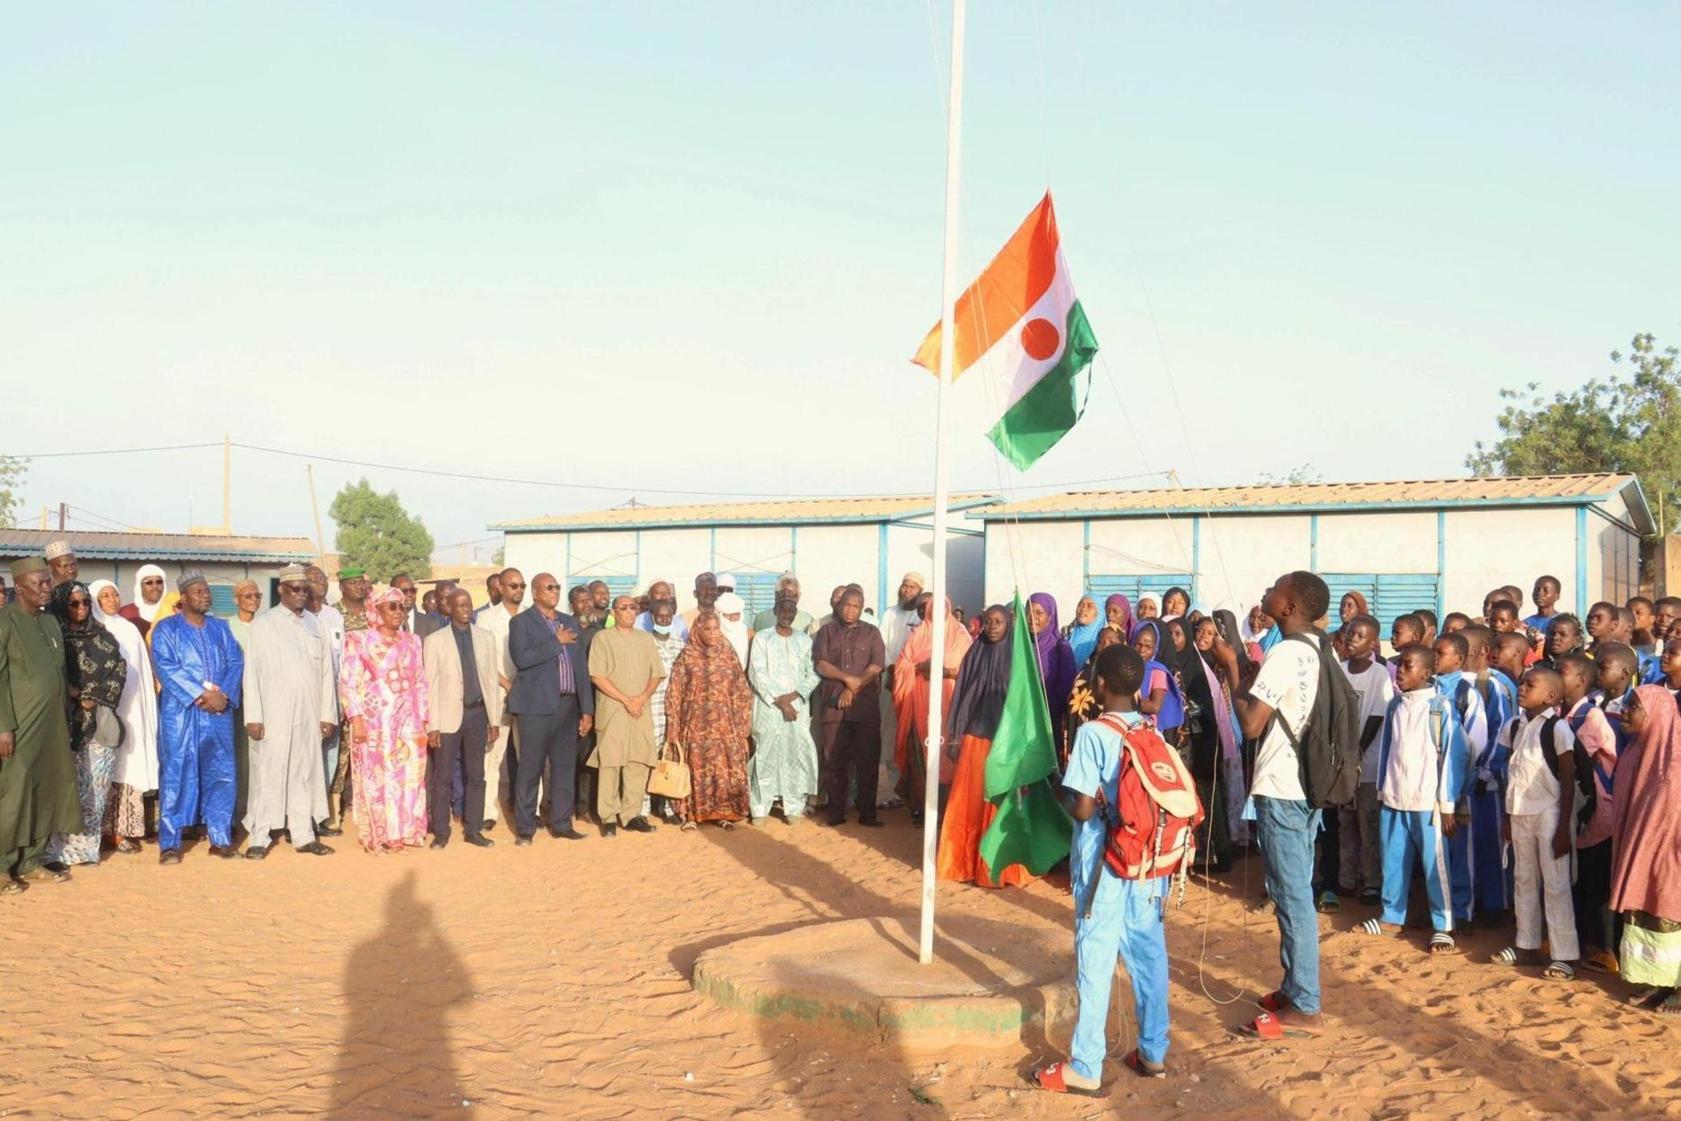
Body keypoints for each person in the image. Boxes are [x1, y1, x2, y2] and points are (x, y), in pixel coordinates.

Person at [1035, 644, 1173, 1092]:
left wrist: (1055, 785)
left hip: (1104, 864)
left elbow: (1082, 809)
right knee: (1149, 955)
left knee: (1096, 959)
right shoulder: (1151, 728)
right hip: (1148, 862)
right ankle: (1153, 1051)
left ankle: (1087, 1066)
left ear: (1099, 685)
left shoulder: (1094, 733)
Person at [1223, 570, 1329, 1040]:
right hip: (1305, 784)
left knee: (1292, 897)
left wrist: (1228, 670)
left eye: (1276, 587)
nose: (1267, 589)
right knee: (1293, 889)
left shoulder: (1286, 651)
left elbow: (1250, 725)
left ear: (1288, 607)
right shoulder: (1316, 648)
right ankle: (1293, 987)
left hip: (1284, 786)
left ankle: (1305, 1004)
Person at [1357, 644, 1469, 954]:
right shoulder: (1395, 706)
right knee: (1393, 860)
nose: (1400, 672)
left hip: (1427, 802)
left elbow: (1452, 756)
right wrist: (1382, 790)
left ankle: (1443, 924)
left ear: (1426, 672)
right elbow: (1387, 752)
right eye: (1400, 666)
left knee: (1435, 864)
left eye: (1408, 666)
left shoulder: (1440, 707)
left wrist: (1447, 805)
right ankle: (1392, 915)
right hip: (1394, 798)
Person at [1489, 666, 1580, 980]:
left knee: (1555, 885)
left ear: (1552, 696)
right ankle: (1526, 944)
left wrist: (1562, 829)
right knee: (1523, 880)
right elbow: (1510, 776)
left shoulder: (1557, 729)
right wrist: (1507, 818)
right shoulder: (1514, 726)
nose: (1522, 688)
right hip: (1520, 814)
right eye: (1522, 683)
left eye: (1531, 684)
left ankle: (1564, 954)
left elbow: (1567, 781)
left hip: (1550, 814)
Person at [241, 565, 337, 859]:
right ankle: (258, 837)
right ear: (281, 590)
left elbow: (325, 673)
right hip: (273, 713)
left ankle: (303, 835)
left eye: (305, 589)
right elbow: (252, 673)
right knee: (268, 773)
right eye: (295, 589)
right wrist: (254, 715)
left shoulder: (315, 623)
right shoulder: (264, 624)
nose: (301, 594)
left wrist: (327, 714)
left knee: (304, 772)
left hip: (309, 713)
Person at [0, 558, 83, 890]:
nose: (48, 587)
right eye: (40, 583)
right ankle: (3, 865)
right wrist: (2, 725)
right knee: (14, 794)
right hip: (18, 726)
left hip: (51, 725)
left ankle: (32, 860)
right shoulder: (5, 622)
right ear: (19, 587)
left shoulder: (50, 623)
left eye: (48, 582)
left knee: (45, 791)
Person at [151, 571, 245, 864]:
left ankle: (219, 838)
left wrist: (224, 695)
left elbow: (235, 661)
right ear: (184, 598)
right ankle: (170, 842)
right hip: (181, 713)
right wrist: (200, 695)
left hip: (217, 713)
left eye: (207, 591)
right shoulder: (167, 629)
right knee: (177, 772)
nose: (206, 596)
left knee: (221, 773)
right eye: (199, 592)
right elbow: (165, 666)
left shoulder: (220, 627)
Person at [939, 605, 1032, 887]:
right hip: (974, 738)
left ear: (1009, 625)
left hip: (1005, 743)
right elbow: (961, 697)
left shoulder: (1018, 658)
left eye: (999, 622)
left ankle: (996, 868)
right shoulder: (975, 652)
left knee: (998, 804)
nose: (992, 627)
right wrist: (954, 734)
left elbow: (1025, 705)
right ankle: (964, 863)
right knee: (969, 802)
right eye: (989, 621)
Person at [340, 587, 431, 853]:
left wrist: (424, 719)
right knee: (378, 778)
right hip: (374, 723)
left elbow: (420, 682)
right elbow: (349, 682)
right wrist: (355, 719)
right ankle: (381, 834)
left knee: (409, 777)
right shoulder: (357, 640)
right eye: (391, 606)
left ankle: (405, 832)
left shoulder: (413, 640)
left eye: (401, 606)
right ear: (375, 610)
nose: (398, 611)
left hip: (409, 722)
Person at [1608, 685, 1681, 1013]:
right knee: (1648, 913)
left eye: (1633, 707)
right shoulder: (1637, 752)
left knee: (1670, 911)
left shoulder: (1674, 763)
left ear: (1654, 715)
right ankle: (1660, 981)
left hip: (1670, 856)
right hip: (1645, 850)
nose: (1624, 712)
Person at [505, 573, 594, 844]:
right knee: (530, 768)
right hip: (535, 707)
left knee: (564, 768)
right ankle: (525, 829)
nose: (555, 591)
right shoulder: (521, 622)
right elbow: (522, 658)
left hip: (568, 706)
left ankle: (562, 823)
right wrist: (557, 642)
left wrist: (586, 709)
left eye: (557, 587)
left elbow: (580, 668)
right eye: (549, 587)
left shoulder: (568, 622)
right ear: (535, 592)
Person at [42, 581, 125, 870]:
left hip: (98, 724)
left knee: (96, 790)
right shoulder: (53, 639)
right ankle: (58, 851)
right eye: (74, 603)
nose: (81, 608)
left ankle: (88, 849)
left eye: (85, 602)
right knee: (65, 790)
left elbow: (118, 672)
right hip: (62, 725)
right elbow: (45, 675)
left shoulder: (104, 638)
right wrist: (70, 692)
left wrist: (94, 697)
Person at [423, 588, 501, 849]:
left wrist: (494, 719)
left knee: (476, 775)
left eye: (468, 604)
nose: (466, 609)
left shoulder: (485, 638)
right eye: (460, 605)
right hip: (447, 718)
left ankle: (474, 830)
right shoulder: (435, 641)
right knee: (442, 777)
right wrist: (432, 725)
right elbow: (431, 685)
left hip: (478, 714)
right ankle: (441, 832)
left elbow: (490, 679)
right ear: (450, 608)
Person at [665, 610, 754, 829]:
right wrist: (673, 726)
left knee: (723, 767)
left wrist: (743, 728)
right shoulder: (687, 655)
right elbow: (675, 692)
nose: (713, 633)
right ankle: (692, 816)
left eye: (716, 628)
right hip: (695, 724)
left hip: (725, 724)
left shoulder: (728, 653)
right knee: (695, 766)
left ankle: (724, 813)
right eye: (708, 629)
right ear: (698, 631)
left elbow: (741, 690)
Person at [87, 579, 158, 855]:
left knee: (129, 765)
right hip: (105, 711)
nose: (112, 599)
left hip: (132, 707)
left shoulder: (129, 628)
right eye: (105, 595)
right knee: (103, 771)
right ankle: (103, 832)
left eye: (115, 594)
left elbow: (142, 671)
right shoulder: (92, 630)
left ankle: (123, 830)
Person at [1558, 652, 1619, 972]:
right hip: (1574, 810)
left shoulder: (1592, 719)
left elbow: (1595, 767)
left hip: (1597, 812)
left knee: (1595, 882)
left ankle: (1606, 948)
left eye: (1563, 673)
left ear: (1581, 681)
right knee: (1576, 880)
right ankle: (1577, 941)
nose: (1556, 677)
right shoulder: (1560, 716)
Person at [585, 594, 665, 837]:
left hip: (640, 709)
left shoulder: (646, 639)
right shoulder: (602, 638)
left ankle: (631, 814)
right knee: (611, 762)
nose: (629, 612)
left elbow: (656, 674)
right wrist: (625, 699)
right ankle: (608, 816)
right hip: (614, 709)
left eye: (633, 608)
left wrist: (640, 699)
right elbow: (597, 676)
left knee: (638, 762)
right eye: (624, 608)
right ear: (614, 612)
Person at [891, 595, 971, 825]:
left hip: (950, 706)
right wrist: (918, 666)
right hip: (920, 706)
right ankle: (924, 810)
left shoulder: (960, 636)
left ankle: (949, 812)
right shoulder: (918, 635)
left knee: (950, 754)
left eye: (941, 609)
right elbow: (902, 665)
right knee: (920, 755)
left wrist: (943, 671)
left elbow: (967, 670)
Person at [812, 587, 887, 827]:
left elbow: (876, 666)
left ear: (862, 607)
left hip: (865, 709)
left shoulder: (872, 633)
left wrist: (854, 687)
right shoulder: (826, 632)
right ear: (839, 604)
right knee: (834, 761)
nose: (850, 610)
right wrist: (847, 679)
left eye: (856, 606)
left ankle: (867, 813)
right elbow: (821, 664)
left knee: (867, 761)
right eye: (846, 604)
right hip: (833, 708)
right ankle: (836, 812)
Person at [747, 593, 820, 824]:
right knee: (765, 753)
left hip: (797, 707)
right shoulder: (762, 639)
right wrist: (779, 701)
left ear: (796, 613)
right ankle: (759, 807)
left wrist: (793, 697)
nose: (787, 614)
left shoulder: (805, 641)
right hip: (768, 707)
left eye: (791, 611)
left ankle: (793, 807)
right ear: (775, 611)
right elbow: (756, 673)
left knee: (795, 754)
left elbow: (814, 673)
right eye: (783, 609)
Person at [1336, 615, 1393, 905]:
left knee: (1368, 821)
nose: (1351, 639)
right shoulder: (1339, 669)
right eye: (1349, 634)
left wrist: (1356, 749)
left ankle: (1372, 880)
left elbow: (1377, 715)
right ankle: (1347, 877)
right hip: (1342, 761)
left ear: (1372, 643)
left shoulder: (1379, 674)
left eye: (1358, 636)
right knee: (1345, 821)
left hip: (1367, 763)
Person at [1432, 631, 1487, 928]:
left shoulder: (1468, 693)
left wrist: (1458, 788)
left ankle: (1462, 910)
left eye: (1441, 654)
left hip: (1457, 787)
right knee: (1434, 850)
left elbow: (1474, 744)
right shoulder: (1428, 688)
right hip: (1427, 785)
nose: (1434, 658)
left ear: (1459, 659)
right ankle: (1438, 908)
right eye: (1433, 653)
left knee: (1459, 850)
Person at [474, 567, 523, 828]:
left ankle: (530, 810)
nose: (518, 590)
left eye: (521, 586)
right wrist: (506, 683)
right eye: (513, 585)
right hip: (498, 693)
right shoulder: (485, 618)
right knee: (493, 755)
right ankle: (488, 812)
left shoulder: (532, 616)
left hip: (527, 695)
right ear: (501, 588)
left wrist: (522, 685)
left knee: (528, 755)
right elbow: (483, 659)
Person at [306, 564, 346, 838]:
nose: (320, 582)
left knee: (329, 757)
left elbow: (342, 658)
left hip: (334, 695)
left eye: (322, 578)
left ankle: (319, 817)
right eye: (313, 579)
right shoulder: (297, 617)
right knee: (306, 759)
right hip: (307, 697)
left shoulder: (334, 616)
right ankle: (300, 818)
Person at [644, 596, 687, 820]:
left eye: (668, 616)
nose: (664, 619)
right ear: (652, 617)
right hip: (650, 707)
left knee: (670, 755)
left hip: (674, 709)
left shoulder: (680, 644)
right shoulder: (644, 642)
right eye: (660, 616)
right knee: (648, 756)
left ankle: (669, 807)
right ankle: (643, 807)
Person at [1029, 593, 1078, 747]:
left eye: (1039, 613)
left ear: (1050, 617)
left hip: (1048, 720)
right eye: (1028, 611)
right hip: (1021, 719)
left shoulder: (1060, 648)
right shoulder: (1019, 645)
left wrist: (1042, 707)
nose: (1032, 617)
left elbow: (1065, 687)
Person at [121, 563, 168, 640]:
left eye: (159, 582)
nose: (155, 586)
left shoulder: (173, 611)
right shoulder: (125, 613)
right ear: (139, 586)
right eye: (149, 582)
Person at [1063, 595, 1104, 668]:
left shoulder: (1104, 637)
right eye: (1080, 605)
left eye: (1089, 606)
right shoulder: (1066, 633)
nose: (1083, 609)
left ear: (1099, 612)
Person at [714, 592, 752, 667]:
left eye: (736, 614)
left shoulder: (749, 634)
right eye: (728, 614)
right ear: (720, 615)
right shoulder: (712, 635)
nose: (732, 618)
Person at [338, 567, 371, 633]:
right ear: (341, 587)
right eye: (353, 583)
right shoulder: (333, 613)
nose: (360, 586)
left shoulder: (374, 609)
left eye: (362, 582)